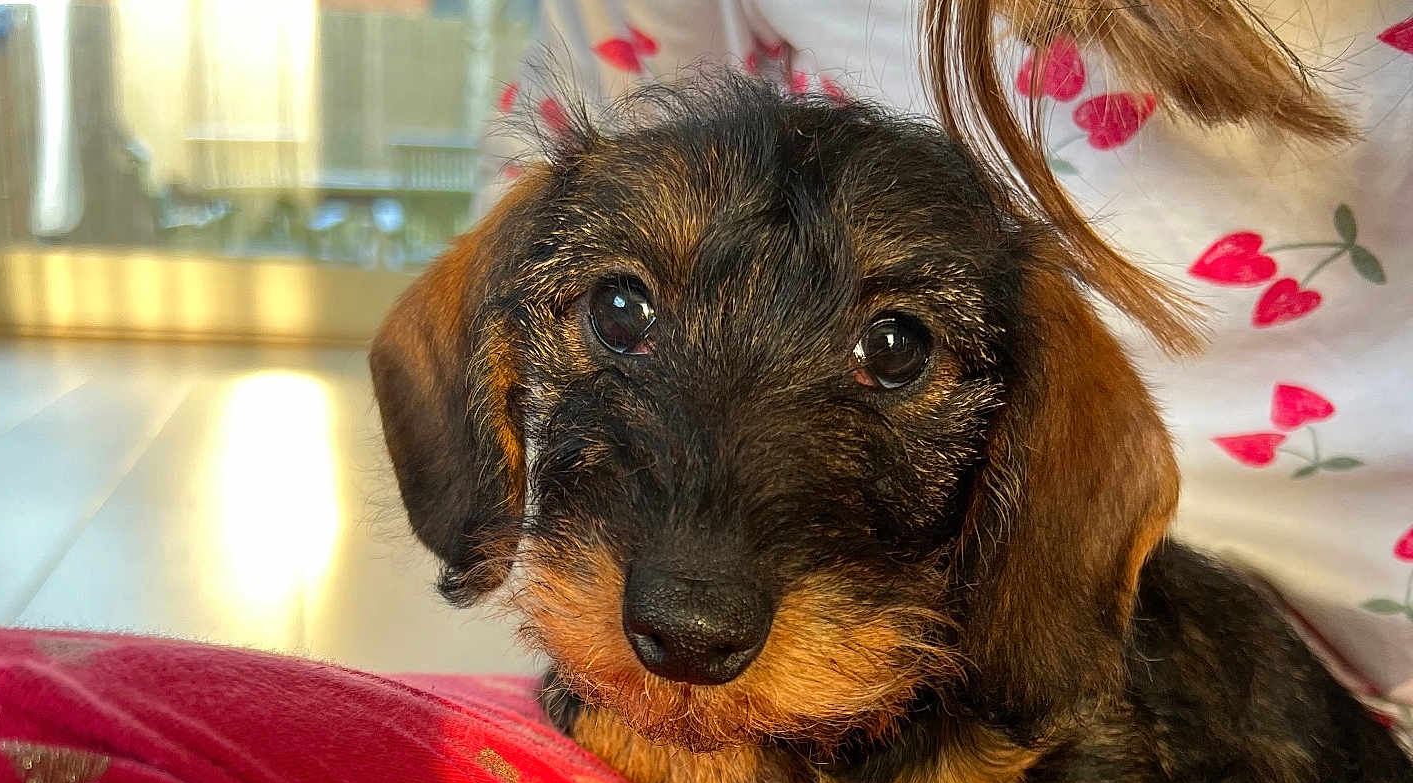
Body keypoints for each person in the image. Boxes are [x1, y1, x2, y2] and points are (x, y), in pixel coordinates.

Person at [477, 0, 1413, 736]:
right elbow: (566, 219)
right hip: (951, 650)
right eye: (623, 313)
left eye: (892, 353)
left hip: (1095, 635)